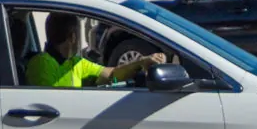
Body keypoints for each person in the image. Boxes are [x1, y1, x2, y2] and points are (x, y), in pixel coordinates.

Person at [25, 12, 166, 88]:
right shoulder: (41, 63)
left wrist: (140, 63)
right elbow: (47, 102)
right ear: (73, 37)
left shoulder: (76, 63)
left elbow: (112, 77)